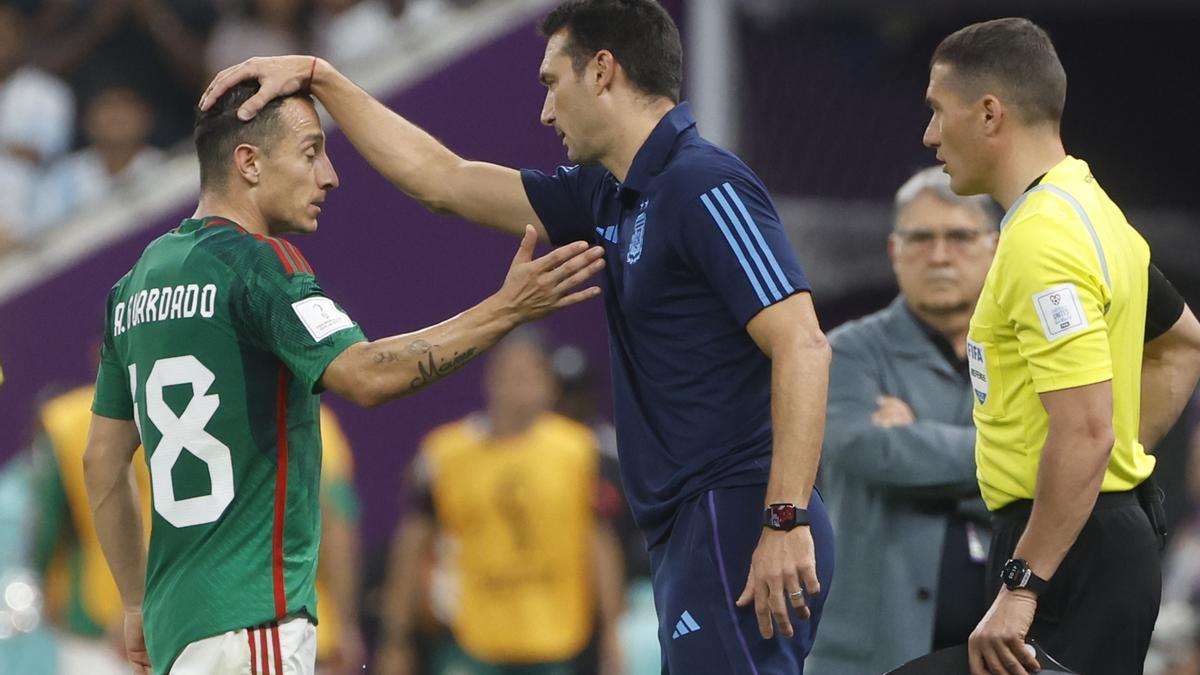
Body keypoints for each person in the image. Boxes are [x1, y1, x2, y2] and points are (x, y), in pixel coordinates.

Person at [202, 2, 834, 671]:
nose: (544, 112)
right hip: (691, 526)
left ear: (602, 71)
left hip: (736, 512)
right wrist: (322, 78)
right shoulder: (609, 196)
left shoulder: (705, 182)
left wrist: (784, 519)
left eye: (549, 83)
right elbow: (440, 180)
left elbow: (804, 344)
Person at [82, 79, 605, 675]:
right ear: (248, 162)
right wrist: (507, 308)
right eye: (311, 152)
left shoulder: (134, 285)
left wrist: (132, 601)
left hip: (180, 628)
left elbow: (103, 462)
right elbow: (366, 377)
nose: (329, 175)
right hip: (254, 622)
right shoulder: (259, 263)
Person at [921, 17, 1200, 675]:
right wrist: (1110, 476)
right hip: (1082, 544)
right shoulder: (1094, 211)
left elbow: (1084, 432)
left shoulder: (1044, 238)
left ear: (990, 114)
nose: (929, 134)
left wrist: (1024, 581)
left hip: (1066, 564)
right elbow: (1184, 343)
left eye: (937, 111)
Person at [809, 166, 998, 674]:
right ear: (894, 251)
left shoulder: (1025, 354)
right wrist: (1000, 455)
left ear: (994, 246)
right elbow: (864, 450)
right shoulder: (848, 351)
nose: (939, 255)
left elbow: (1055, 470)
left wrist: (915, 438)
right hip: (873, 653)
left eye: (959, 236)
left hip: (999, 646)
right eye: (921, 238)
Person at [377, 332, 624, 675]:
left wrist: (613, 632)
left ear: (550, 383)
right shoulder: (445, 454)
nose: (519, 385)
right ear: (489, 379)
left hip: (555, 636)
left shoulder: (578, 450)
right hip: (470, 637)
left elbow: (598, 541)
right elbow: (412, 542)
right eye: (510, 374)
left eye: (530, 374)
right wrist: (395, 638)